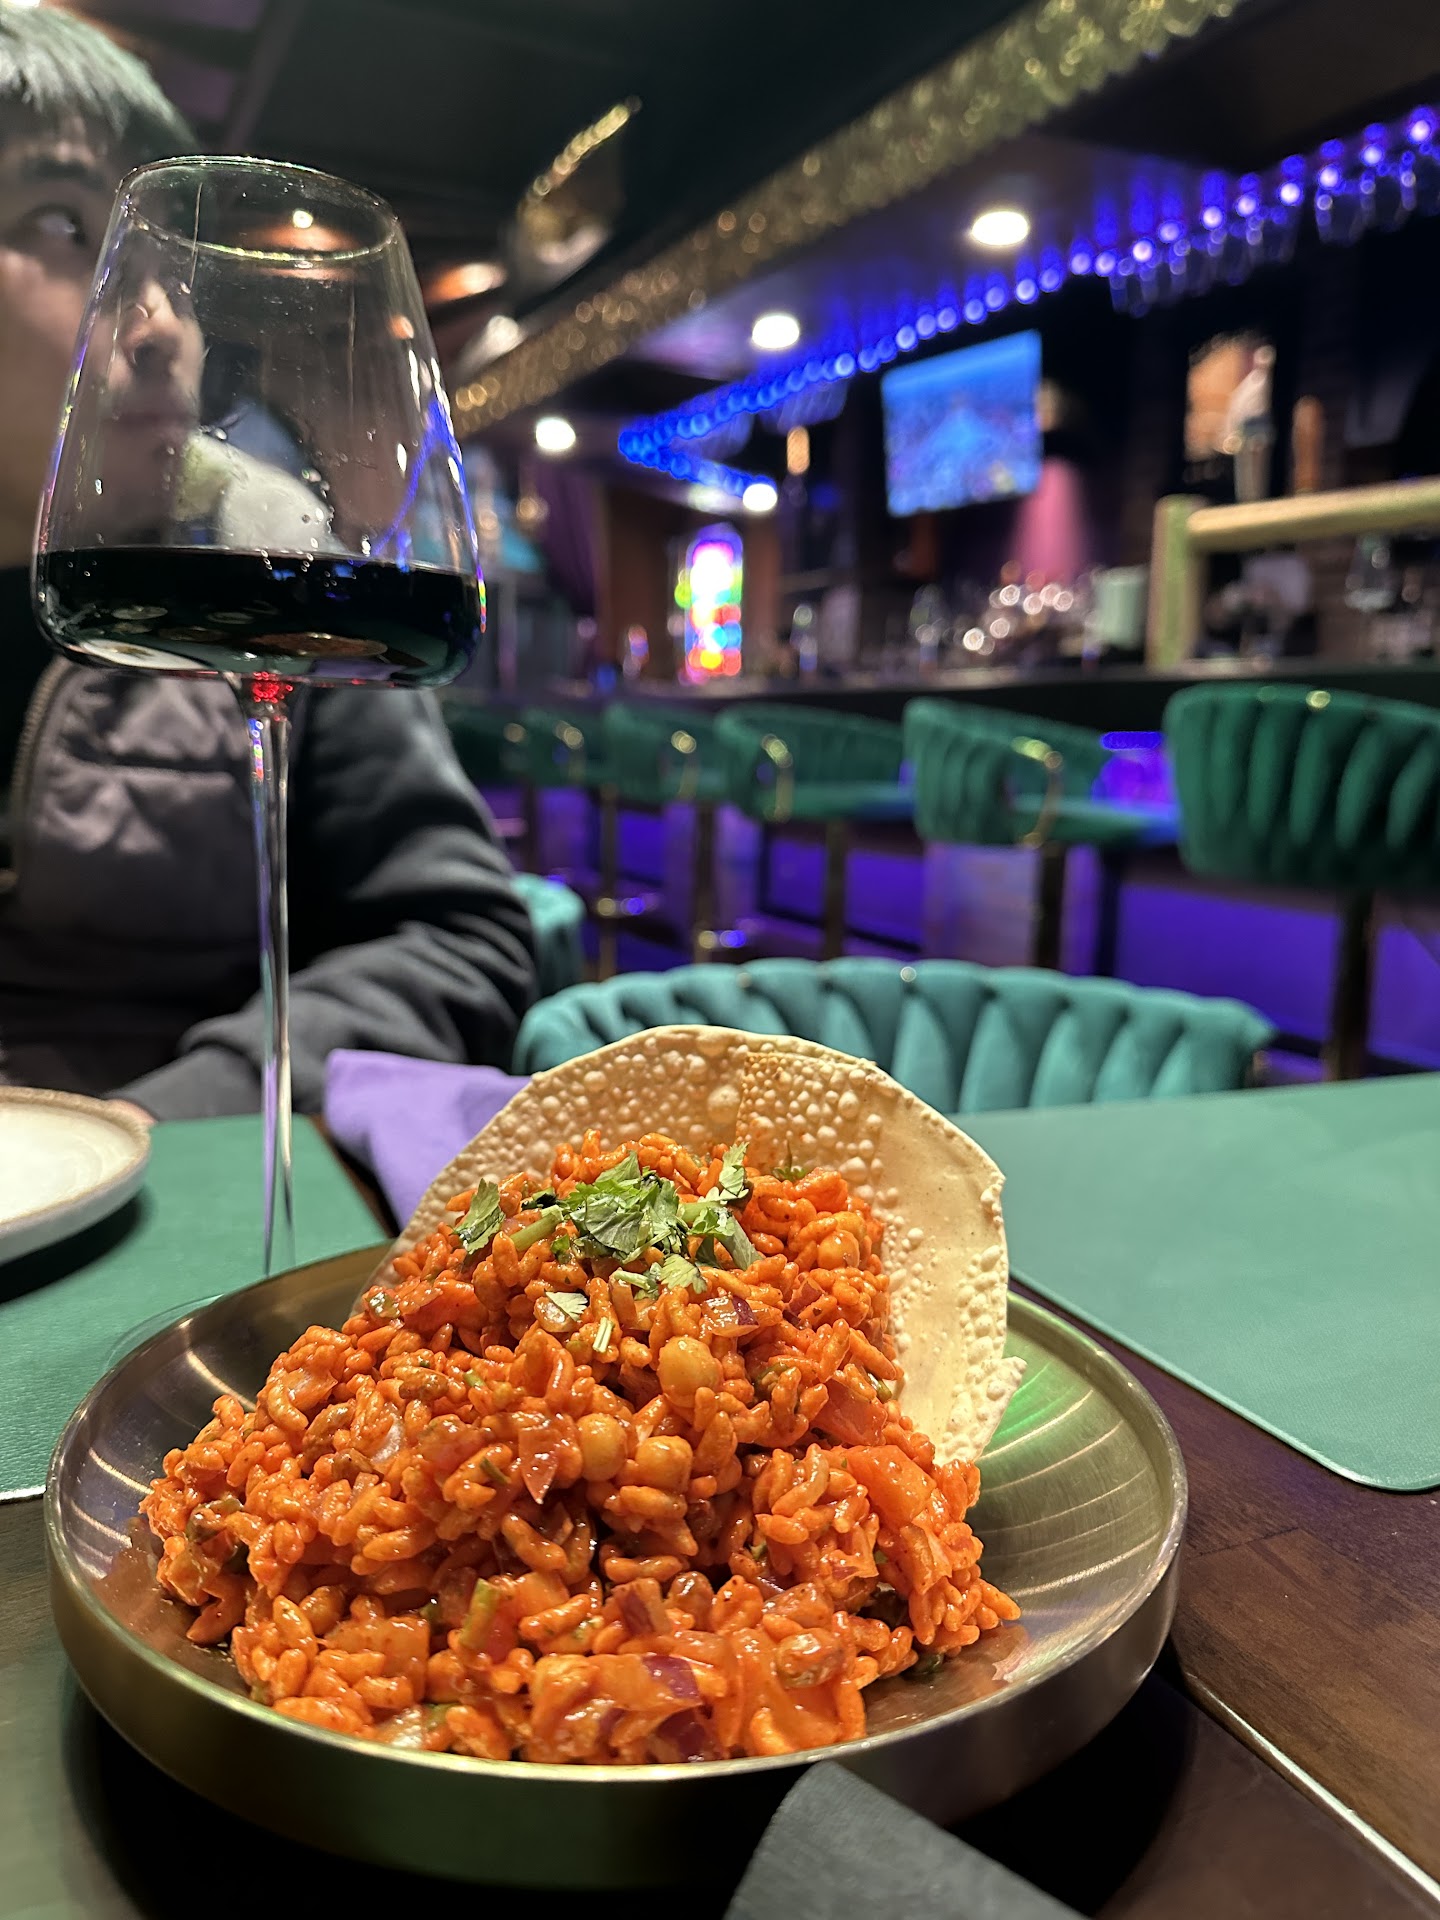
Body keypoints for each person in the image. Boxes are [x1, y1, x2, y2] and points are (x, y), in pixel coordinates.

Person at [0, 8, 536, 1118]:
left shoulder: (275, 575)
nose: (160, 325)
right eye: (63, 224)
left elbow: (458, 937)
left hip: (182, 1174)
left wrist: (153, 1126)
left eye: (170, 270)